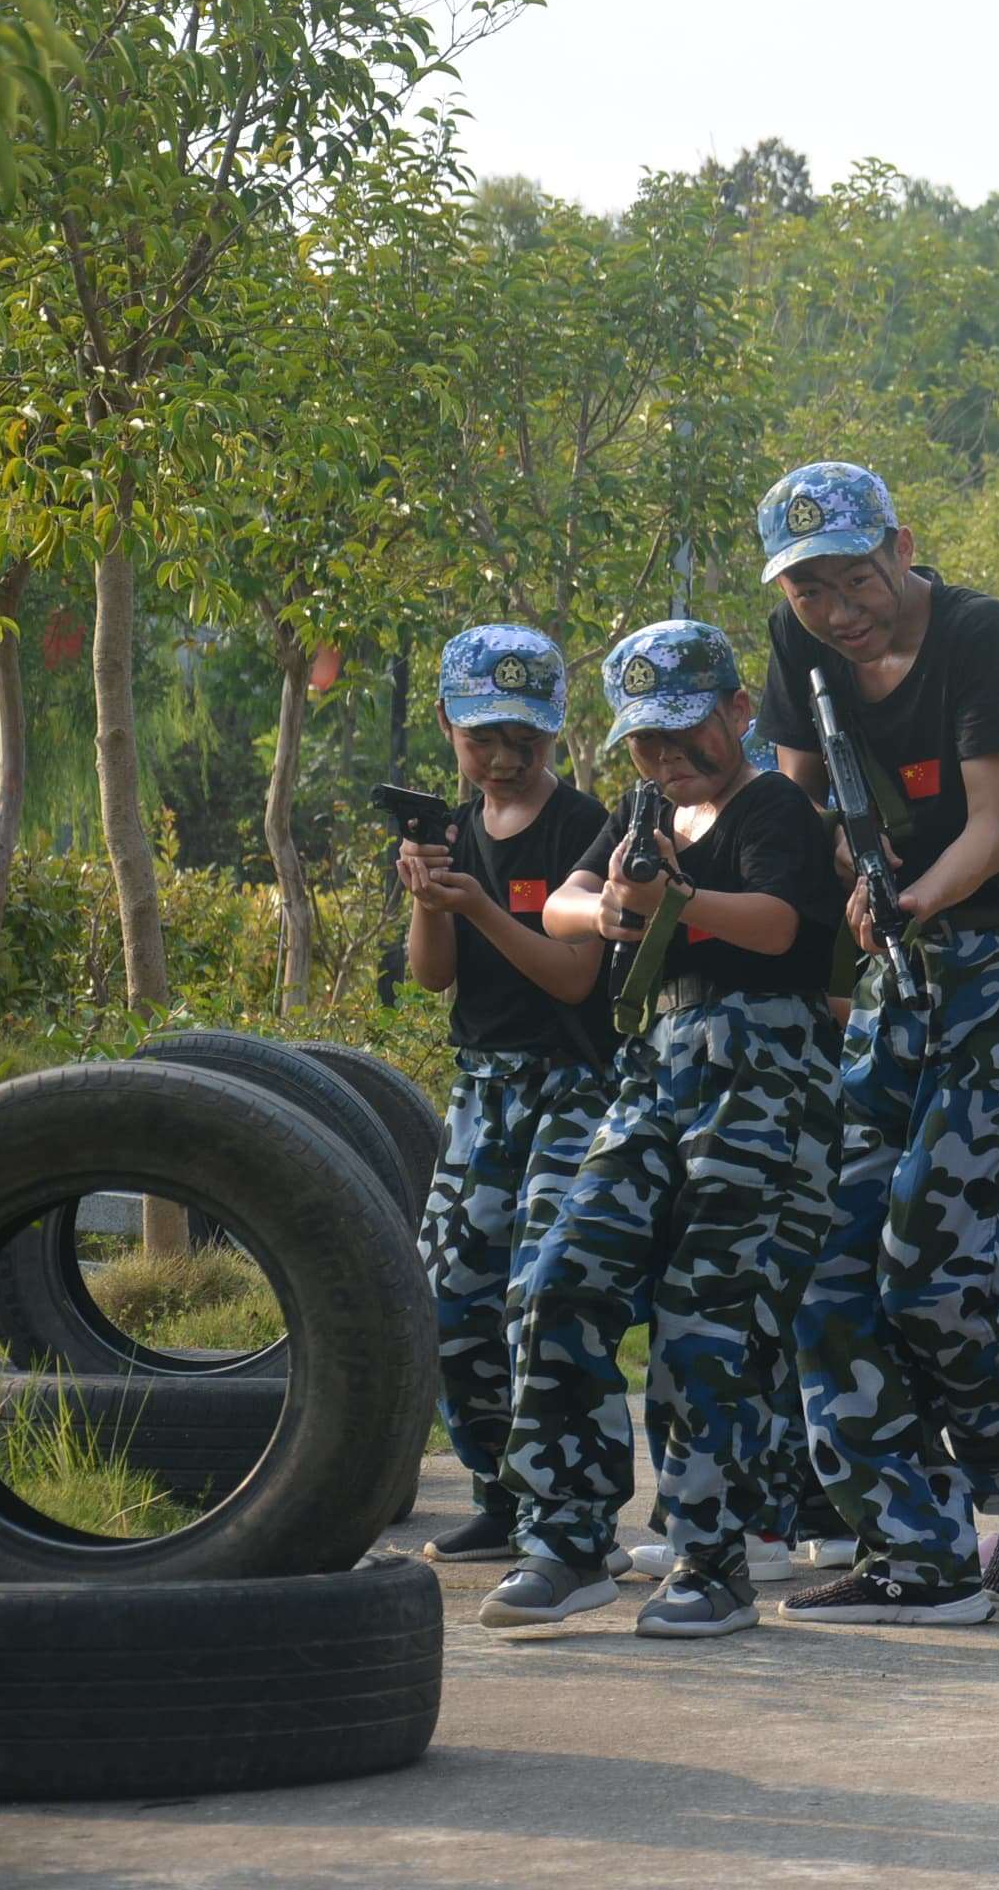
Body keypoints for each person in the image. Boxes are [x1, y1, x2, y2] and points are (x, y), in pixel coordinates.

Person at [749, 460, 999, 1625]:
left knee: (933, 1262)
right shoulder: (799, 647)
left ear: (901, 547)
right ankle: (917, 1549)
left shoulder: (978, 633)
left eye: (853, 578)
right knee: (830, 1258)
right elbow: (797, 805)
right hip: (902, 968)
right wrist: (821, 873)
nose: (836, 609)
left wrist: (901, 900)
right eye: (810, 589)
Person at [481, 620, 845, 1640]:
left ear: (738, 710)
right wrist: (603, 911)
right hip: (654, 1069)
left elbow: (778, 923)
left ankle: (711, 1556)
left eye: (688, 731)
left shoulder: (773, 803)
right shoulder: (644, 812)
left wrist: (678, 905)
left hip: (764, 1074)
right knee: (559, 1277)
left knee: (709, 1321)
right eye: (647, 740)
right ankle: (565, 1534)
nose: (669, 757)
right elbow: (562, 900)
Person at [396, 625, 618, 1568]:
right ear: (448, 723)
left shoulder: (590, 828)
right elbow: (431, 979)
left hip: (574, 1084)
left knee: (547, 1292)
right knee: (449, 1298)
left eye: (523, 739)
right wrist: (426, 894)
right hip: (482, 1087)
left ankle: (573, 1514)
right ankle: (499, 1491)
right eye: (483, 736)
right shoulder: (444, 827)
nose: (502, 758)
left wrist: (482, 905)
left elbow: (574, 979)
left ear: (556, 734)